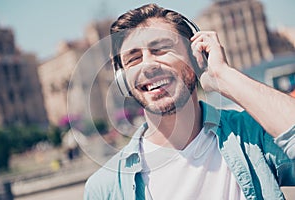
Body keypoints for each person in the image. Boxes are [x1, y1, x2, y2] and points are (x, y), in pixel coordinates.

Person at [84, 4, 295, 200]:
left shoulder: (252, 135)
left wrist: (225, 77)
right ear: (122, 80)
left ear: (195, 59)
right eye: (133, 59)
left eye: (160, 49)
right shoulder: (105, 187)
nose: (147, 65)